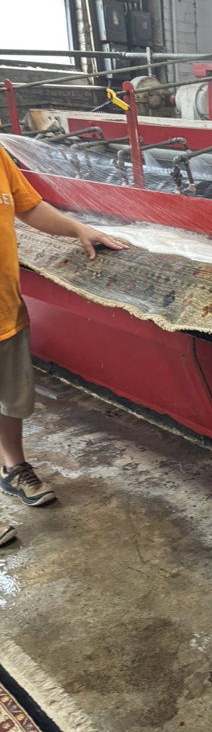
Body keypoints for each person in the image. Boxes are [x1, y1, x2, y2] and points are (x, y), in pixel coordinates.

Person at [0, 144, 127, 543]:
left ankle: (13, 469)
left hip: (5, 311)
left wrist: (78, 229)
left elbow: (29, 206)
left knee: (8, 400)